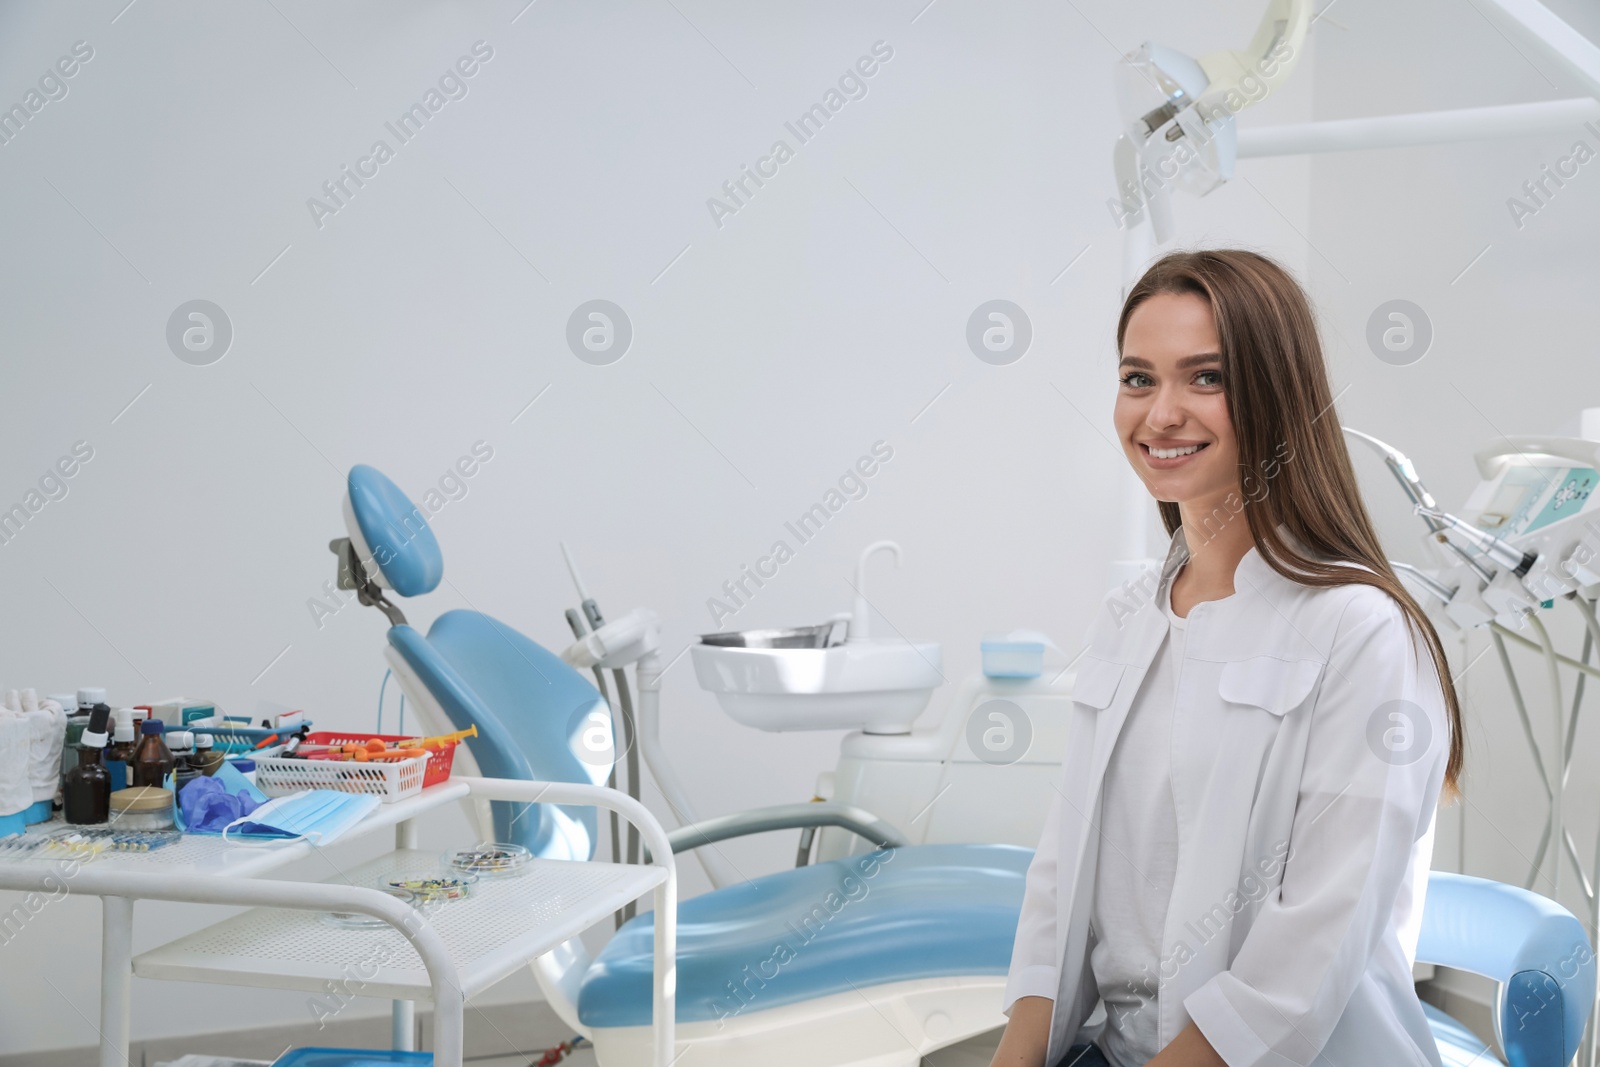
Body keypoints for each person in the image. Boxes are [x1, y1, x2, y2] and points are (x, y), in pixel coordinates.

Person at [988, 249, 1462, 1067]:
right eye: (1139, 378)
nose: (1160, 413)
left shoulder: (1362, 631)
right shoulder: (1130, 615)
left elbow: (1315, 941)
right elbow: (1061, 872)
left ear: (1277, 399)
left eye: (1204, 378)